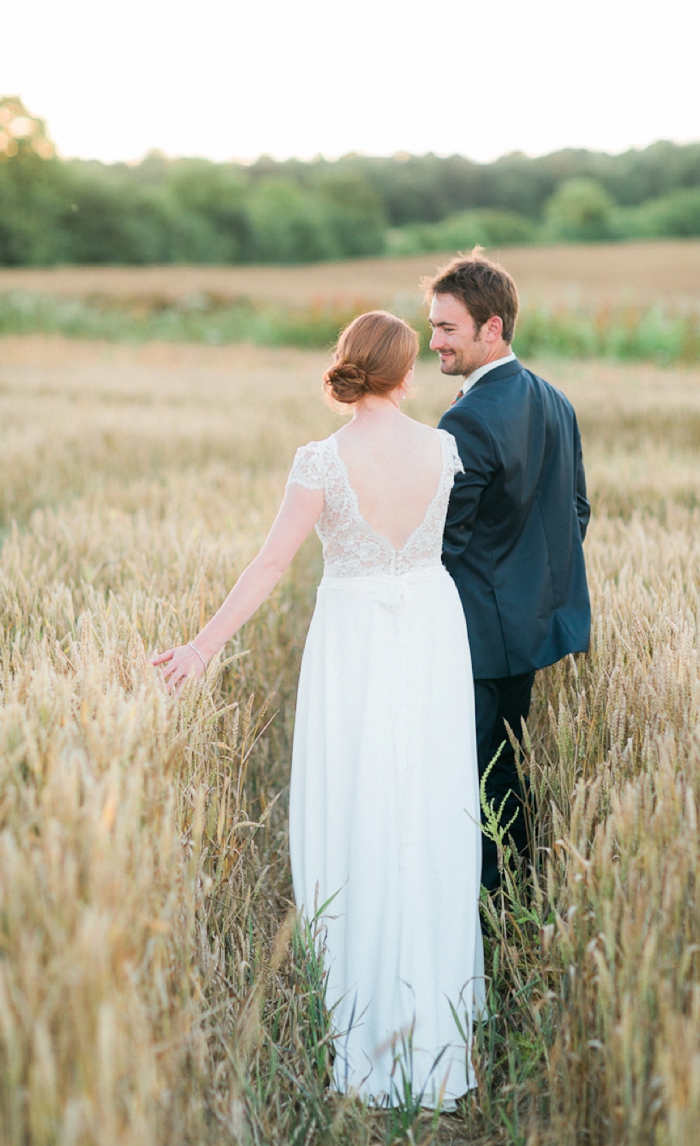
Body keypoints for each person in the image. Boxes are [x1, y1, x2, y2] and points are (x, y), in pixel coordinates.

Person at [153, 311, 483, 1110]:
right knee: (430, 812)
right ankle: (440, 1039)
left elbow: (272, 563)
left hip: (355, 643)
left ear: (348, 369)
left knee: (359, 808)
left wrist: (201, 647)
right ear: (405, 375)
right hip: (435, 636)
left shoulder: (322, 460)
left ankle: (364, 1032)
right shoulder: (444, 449)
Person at [428, 250, 591, 893]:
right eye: (433, 326)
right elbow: (575, 510)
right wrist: (527, 585)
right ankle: (516, 901)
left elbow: (447, 539)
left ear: (491, 328)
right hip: (528, 630)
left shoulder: (466, 418)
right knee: (505, 772)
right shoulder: (556, 400)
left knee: (476, 777)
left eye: (447, 328)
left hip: (472, 636)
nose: (432, 341)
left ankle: (489, 912)